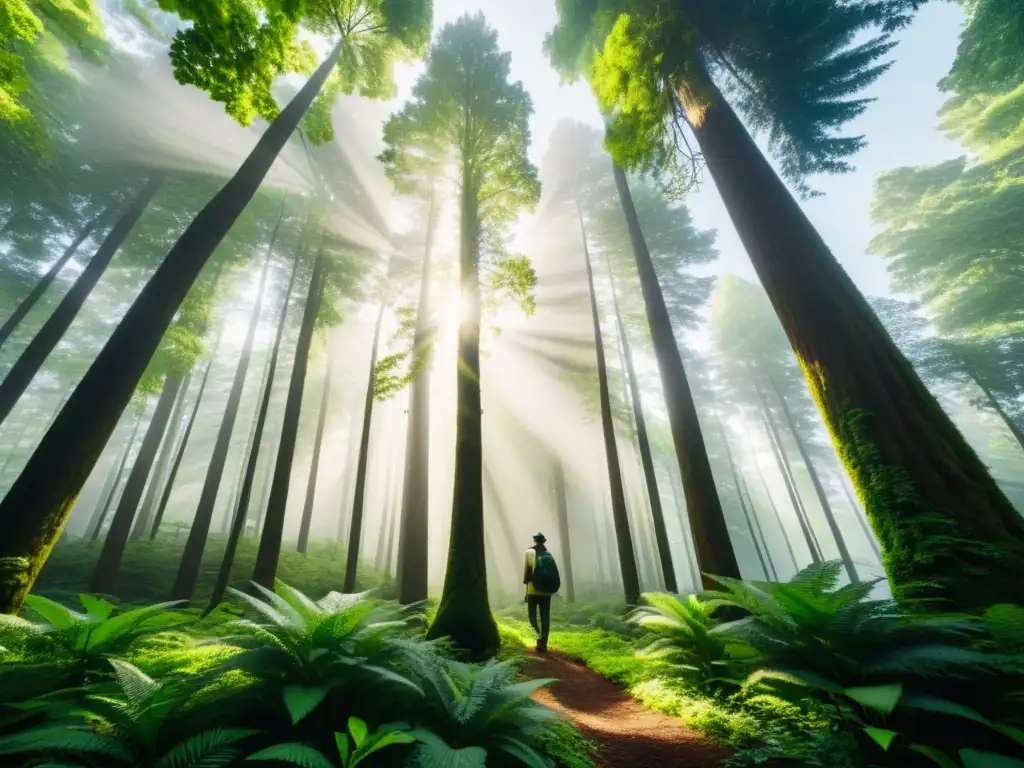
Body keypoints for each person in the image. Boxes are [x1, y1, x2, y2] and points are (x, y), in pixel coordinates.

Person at [523, 531, 560, 653]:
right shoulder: (548, 554)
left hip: (533, 591)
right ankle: (543, 643)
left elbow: (527, 572)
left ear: (534, 540)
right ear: (543, 541)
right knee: (545, 617)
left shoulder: (530, 552)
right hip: (546, 593)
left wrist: (526, 586)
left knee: (532, 616)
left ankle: (537, 637)